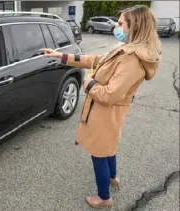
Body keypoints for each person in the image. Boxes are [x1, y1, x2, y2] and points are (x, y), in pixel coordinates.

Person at [42, 5, 161, 208]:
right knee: (109, 146)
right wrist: (61, 56)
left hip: (106, 112)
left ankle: (104, 198)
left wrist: (88, 83)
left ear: (136, 27)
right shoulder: (125, 49)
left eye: (121, 23)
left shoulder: (132, 59)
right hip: (110, 112)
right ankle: (113, 177)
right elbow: (98, 60)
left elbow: (109, 95)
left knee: (99, 152)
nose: (117, 26)